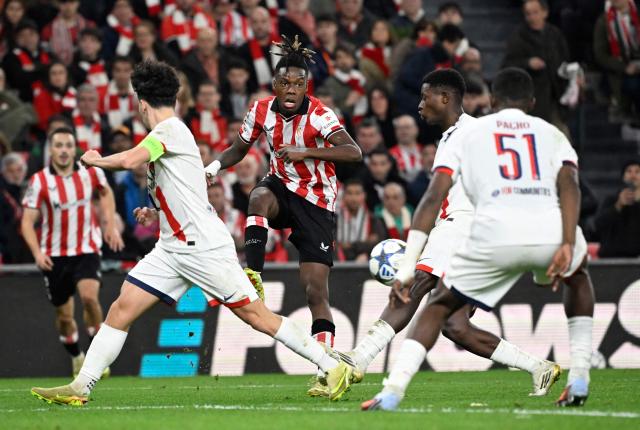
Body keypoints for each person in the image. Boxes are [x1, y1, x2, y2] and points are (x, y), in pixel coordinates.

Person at [30, 60, 357, 406]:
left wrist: (97, 159)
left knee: (256, 317)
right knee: (121, 307)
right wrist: (154, 212)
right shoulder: (166, 137)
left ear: (142, 103)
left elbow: (130, 160)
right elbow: (181, 190)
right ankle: (81, 385)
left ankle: (330, 364)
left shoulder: (168, 131)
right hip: (171, 248)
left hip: (202, 248)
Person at [362, 67, 595, 410]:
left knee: (438, 306)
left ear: (493, 100)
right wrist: (565, 241)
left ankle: (392, 390)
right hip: (549, 226)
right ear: (531, 102)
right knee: (578, 280)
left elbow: (432, 196)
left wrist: (407, 264)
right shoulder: (552, 133)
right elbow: (570, 187)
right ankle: (580, 377)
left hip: (494, 232)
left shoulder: (471, 133)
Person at [205, 36, 362, 397]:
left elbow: (353, 153)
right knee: (258, 196)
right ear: (274, 84)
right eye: (285, 83)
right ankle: (253, 274)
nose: (291, 89)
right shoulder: (260, 110)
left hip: (317, 201)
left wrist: (306, 151)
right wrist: (212, 167)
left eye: (299, 84)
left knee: (314, 290)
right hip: (279, 186)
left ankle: (328, 370)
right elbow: (239, 148)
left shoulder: (320, 114)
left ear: (307, 86)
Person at [21, 127, 124, 378]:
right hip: (54, 255)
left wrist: (109, 224)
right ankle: (76, 356)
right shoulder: (40, 181)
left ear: (74, 148)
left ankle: (96, 356)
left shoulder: (90, 173)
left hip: (87, 248)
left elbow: (106, 192)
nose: (64, 150)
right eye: (59, 145)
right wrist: (36, 252)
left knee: (90, 298)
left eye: (68, 145)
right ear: (51, 150)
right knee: (64, 316)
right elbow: (26, 222)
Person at [502, 0, 571, 132]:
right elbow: (507, 65)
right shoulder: (519, 36)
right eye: (528, 14)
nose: (532, 17)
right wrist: (527, 63)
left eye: (535, 12)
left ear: (545, 13)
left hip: (555, 97)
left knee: (561, 139)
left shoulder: (555, 34)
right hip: (531, 99)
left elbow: (565, 61)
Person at [593, 0, 640, 121]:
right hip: (622, 70)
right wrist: (624, 67)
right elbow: (600, 54)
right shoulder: (603, 21)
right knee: (633, 85)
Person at [594, 160, 640, 258]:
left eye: (637, 172)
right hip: (610, 258)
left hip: (635, 260)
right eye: (629, 171)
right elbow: (598, 225)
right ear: (623, 177)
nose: (633, 175)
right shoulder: (611, 200)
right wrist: (618, 205)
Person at [336, 178, 383, 262]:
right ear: (343, 196)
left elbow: (379, 246)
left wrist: (350, 245)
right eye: (349, 193)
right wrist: (365, 243)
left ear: (364, 195)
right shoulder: (334, 219)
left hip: (365, 264)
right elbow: (332, 245)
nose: (353, 198)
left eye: (357, 193)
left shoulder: (374, 220)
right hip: (338, 264)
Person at [41, 0, 94, 66]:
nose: (68, 6)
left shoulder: (89, 26)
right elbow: (44, 55)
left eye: (71, 2)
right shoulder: (48, 29)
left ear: (78, 3)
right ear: (58, 4)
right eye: (64, 2)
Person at [389, 115, 423, 182]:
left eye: (407, 127)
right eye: (400, 128)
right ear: (395, 132)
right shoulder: (390, 154)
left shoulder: (425, 152)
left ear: (416, 129)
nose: (403, 131)